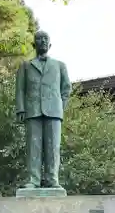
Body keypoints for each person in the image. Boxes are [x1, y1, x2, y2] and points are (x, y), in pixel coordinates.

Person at [15, 30, 72, 189]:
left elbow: (66, 88)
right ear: (34, 44)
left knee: (53, 147)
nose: (42, 41)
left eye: (45, 39)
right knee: (33, 146)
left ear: (50, 43)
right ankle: (33, 180)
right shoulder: (25, 66)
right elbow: (20, 89)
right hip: (32, 110)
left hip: (54, 111)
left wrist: (60, 105)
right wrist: (20, 109)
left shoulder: (60, 66)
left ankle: (52, 179)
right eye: (38, 39)